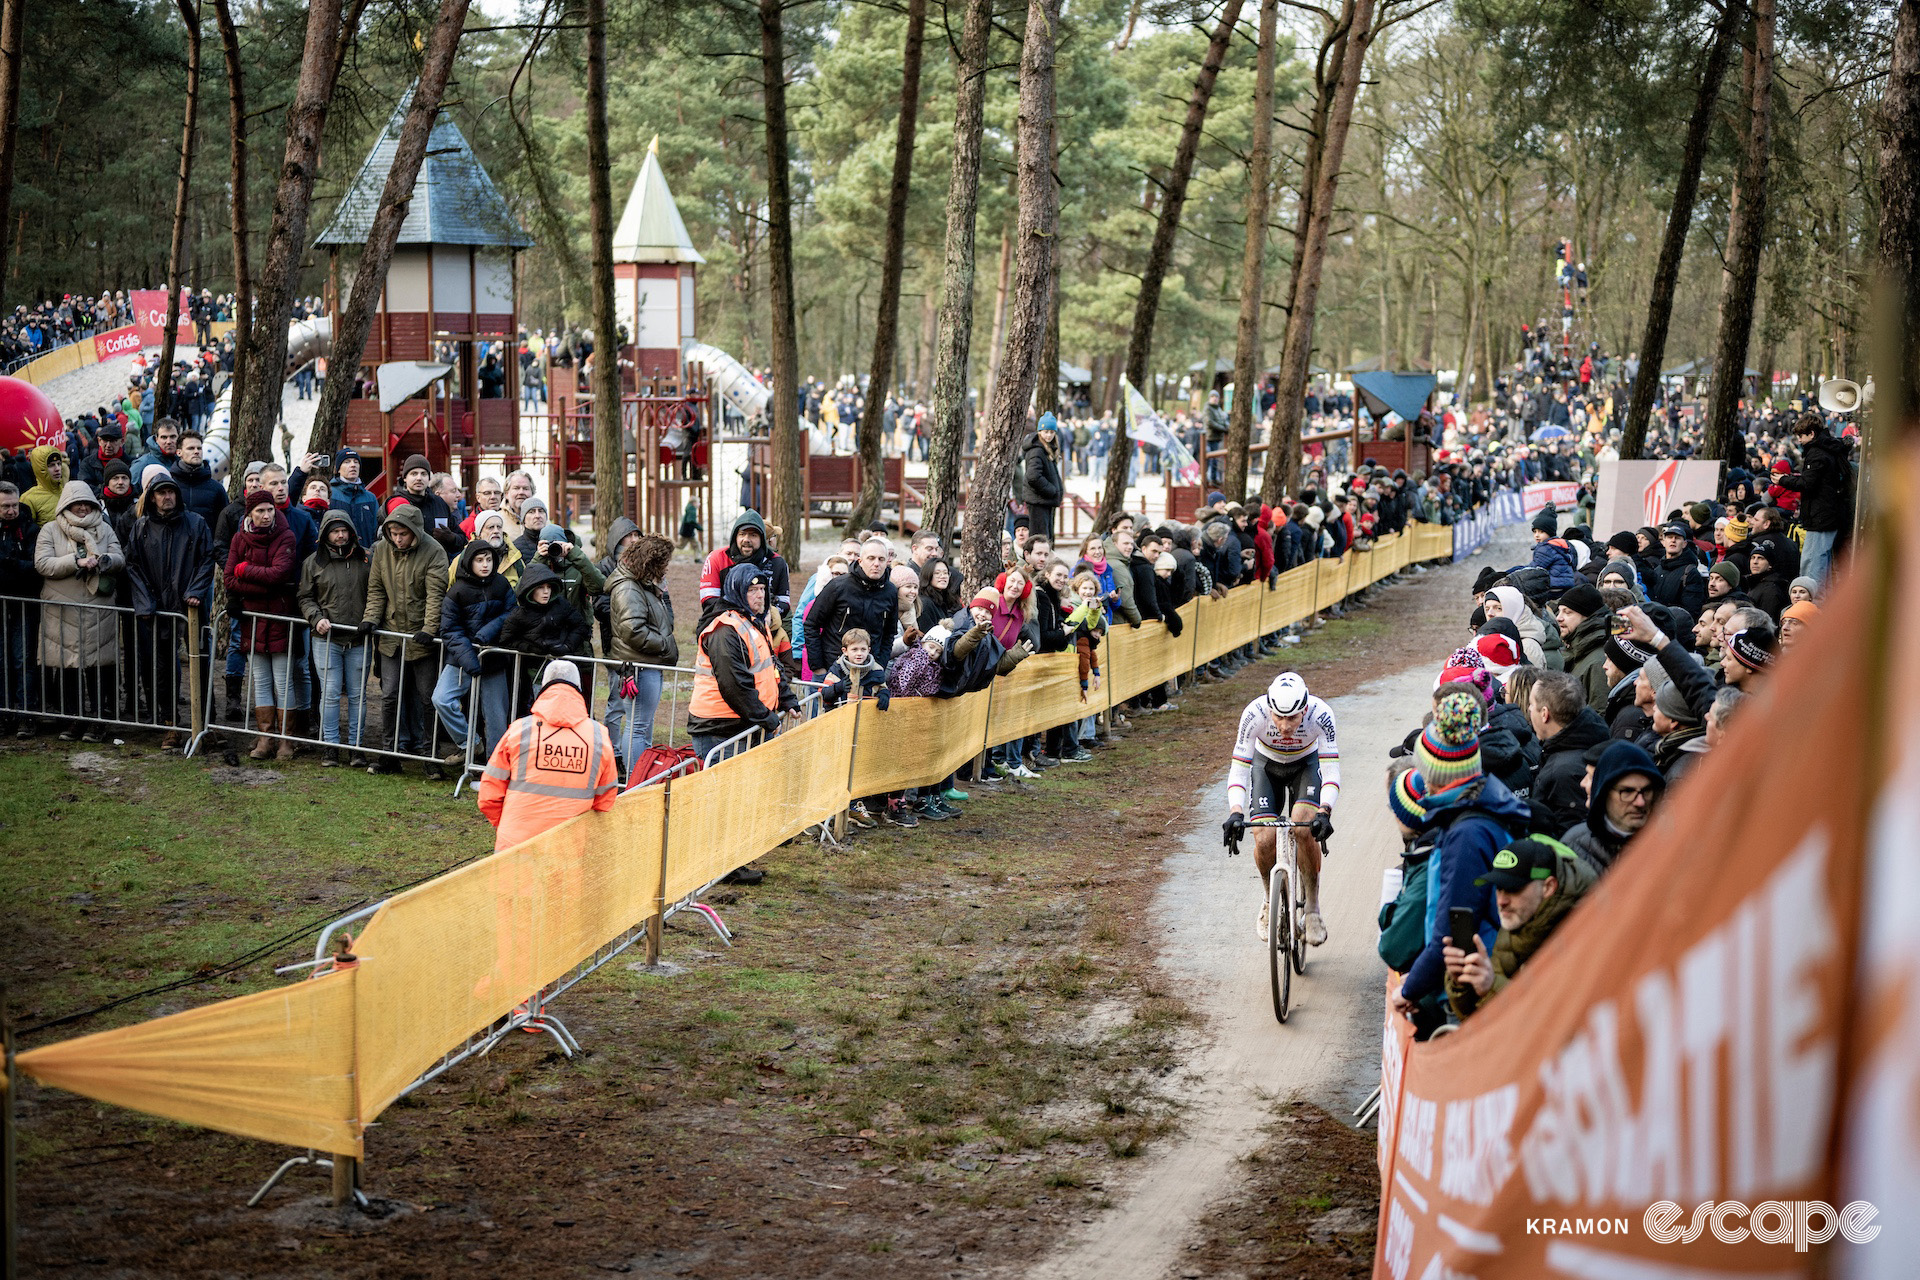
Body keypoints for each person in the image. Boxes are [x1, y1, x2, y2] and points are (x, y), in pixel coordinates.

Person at [1390, 691, 1531, 1024]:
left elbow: (1453, 926)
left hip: (1471, 987)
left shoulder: (1468, 833)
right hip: (1476, 973)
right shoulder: (1478, 807)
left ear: (1431, 773)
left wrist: (1410, 989)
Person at [1222, 672, 1340, 948]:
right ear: (1269, 709)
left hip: (1305, 765)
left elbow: (1331, 767)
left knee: (1303, 824)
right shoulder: (1254, 713)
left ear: (1305, 709)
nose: (1285, 726)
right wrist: (1236, 811)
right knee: (1264, 837)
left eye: (1292, 718)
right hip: (1267, 766)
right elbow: (1240, 767)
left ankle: (1312, 909)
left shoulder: (1321, 714)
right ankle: (1268, 899)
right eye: (1278, 718)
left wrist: (1325, 811)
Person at [1443, 833, 1595, 1018]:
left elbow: (1555, 1020)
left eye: (1513, 888)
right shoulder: (1518, 922)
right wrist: (1463, 984)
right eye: (1498, 888)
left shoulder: (1583, 925)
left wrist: (1492, 986)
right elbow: (1479, 1022)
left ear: (1548, 887)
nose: (1501, 901)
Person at [477, 660, 620, 852]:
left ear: (543, 688)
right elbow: (605, 799)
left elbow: (489, 793)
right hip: (570, 847)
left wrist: (507, 828)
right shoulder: (598, 735)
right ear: (579, 689)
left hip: (516, 844)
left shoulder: (520, 730)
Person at [125, 469, 212, 749]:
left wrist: (196, 591)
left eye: (171, 492)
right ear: (151, 497)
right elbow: (133, 565)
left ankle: (206, 724)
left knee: (202, 661)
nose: (167, 497)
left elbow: (206, 559)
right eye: (161, 493)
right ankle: (169, 724)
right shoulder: (141, 528)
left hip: (192, 607)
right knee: (163, 667)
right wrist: (145, 601)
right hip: (159, 608)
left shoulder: (196, 524)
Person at [361, 502, 451, 775]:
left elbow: (436, 596)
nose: (398, 539)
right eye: (393, 533)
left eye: (403, 533)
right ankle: (389, 755)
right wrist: (370, 618)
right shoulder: (382, 551)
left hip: (421, 637)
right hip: (391, 635)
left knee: (427, 699)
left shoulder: (434, 551)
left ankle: (430, 758)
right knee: (389, 695)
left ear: (414, 530)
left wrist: (429, 629)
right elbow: (376, 590)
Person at [34, 480, 126, 740]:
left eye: (87, 503)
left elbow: (119, 557)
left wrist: (106, 560)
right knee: (69, 668)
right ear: (66, 505)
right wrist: (76, 561)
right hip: (62, 610)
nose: (83, 508)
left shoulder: (105, 529)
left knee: (98, 667)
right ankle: (74, 720)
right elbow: (42, 563)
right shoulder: (50, 531)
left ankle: (98, 721)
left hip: (98, 608)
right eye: (77, 504)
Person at [688, 562, 796, 761]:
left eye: (763, 589)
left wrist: (786, 698)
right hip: (721, 729)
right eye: (752, 590)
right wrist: (766, 717)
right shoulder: (725, 629)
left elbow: (771, 667)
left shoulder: (753, 623)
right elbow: (734, 684)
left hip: (745, 724)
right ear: (737, 591)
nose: (760, 595)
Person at [225, 488, 301, 761]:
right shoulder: (238, 538)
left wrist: (245, 570)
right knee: (261, 681)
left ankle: (286, 741)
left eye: (270, 509)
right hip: (253, 620)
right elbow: (228, 580)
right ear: (250, 513)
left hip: (279, 617)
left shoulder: (286, 535)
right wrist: (261, 584)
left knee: (283, 682)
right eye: (260, 511)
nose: (267, 515)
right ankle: (265, 738)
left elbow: (280, 575)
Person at [299, 511, 373, 767]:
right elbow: (305, 596)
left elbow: (376, 592)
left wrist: (371, 619)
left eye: (344, 530)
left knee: (357, 695)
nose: (340, 535)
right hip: (326, 639)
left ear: (351, 531)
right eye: (334, 531)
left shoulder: (367, 558)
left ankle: (356, 747)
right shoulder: (313, 562)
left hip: (359, 639)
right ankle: (330, 746)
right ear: (325, 534)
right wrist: (315, 617)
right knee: (329, 694)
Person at [434, 540, 517, 764]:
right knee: (441, 699)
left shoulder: (501, 584)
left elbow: (512, 614)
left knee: (496, 716)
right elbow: (450, 629)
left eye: (489, 559)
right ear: (469, 562)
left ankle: (495, 769)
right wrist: (469, 658)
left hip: (493, 656)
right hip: (463, 658)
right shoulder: (457, 591)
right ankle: (469, 743)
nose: (485, 565)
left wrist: (487, 633)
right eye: (479, 560)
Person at [603, 532, 679, 774]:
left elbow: (661, 621)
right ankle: (636, 780)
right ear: (651, 562)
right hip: (639, 666)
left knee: (643, 727)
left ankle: (640, 776)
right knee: (637, 727)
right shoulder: (628, 588)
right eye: (664, 563)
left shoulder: (643, 585)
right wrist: (665, 645)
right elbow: (632, 630)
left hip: (646, 664)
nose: (667, 568)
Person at [1770, 411, 1853, 583]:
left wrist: (1783, 480)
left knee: (1812, 564)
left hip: (1820, 516)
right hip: (1830, 514)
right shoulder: (1830, 449)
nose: (1799, 440)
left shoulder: (1817, 454)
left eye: (1801, 435)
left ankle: (1812, 602)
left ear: (1812, 434)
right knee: (1823, 565)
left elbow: (1808, 483)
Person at [1560, 741, 1664, 873]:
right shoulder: (1574, 846)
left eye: (1647, 791)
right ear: (1604, 794)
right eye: (1627, 792)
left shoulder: (1671, 840)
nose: (1640, 802)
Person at [804, 537, 900, 678]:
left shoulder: (890, 591)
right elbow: (811, 624)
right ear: (860, 561)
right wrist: (818, 667)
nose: (876, 564)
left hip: (869, 671)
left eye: (881, 559)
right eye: (871, 558)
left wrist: (880, 664)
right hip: (833, 668)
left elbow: (889, 634)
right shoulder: (838, 586)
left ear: (887, 562)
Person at [1526, 669, 1608, 833]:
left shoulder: (1563, 773)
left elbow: (1571, 837)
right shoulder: (1592, 736)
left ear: (1544, 714)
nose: (1528, 709)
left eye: (1532, 704)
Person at [0, 481, 40, 735]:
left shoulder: (30, 529)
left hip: (25, 602)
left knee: (23, 659)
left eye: (14, 505)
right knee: (2, 660)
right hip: (3, 602)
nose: (11, 510)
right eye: (5, 506)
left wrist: (11, 563)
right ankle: (4, 714)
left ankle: (26, 714)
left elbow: (36, 566)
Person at [698, 510, 793, 614]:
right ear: (735, 537)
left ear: (762, 539)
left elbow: (784, 602)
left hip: (768, 619)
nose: (746, 539)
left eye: (753, 535)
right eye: (742, 534)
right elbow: (708, 601)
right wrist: (741, 617)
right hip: (725, 620)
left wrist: (769, 614)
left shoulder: (777, 562)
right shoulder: (716, 558)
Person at [1554, 582, 1611, 710]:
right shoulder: (1577, 648)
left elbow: (1600, 711)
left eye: (1567, 612)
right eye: (1559, 611)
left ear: (1588, 617)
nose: (1559, 618)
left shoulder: (1598, 661)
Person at [1013, 414, 1065, 540]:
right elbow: (1033, 476)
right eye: (1046, 432)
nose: (1049, 435)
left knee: (1045, 538)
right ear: (1040, 432)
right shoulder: (1037, 451)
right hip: (1038, 501)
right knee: (1040, 539)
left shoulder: (1047, 449)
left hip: (1044, 501)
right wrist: (1051, 490)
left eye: (1052, 432)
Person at [169, 430, 225, 528]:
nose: (196, 452)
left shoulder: (216, 488)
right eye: (191, 448)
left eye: (199, 448)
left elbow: (223, 525)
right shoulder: (170, 485)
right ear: (179, 452)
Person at [328, 448, 381, 548]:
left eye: (356, 462)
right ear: (338, 469)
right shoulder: (329, 494)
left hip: (365, 556)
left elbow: (376, 531)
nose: (353, 465)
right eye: (347, 462)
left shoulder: (370, 498)